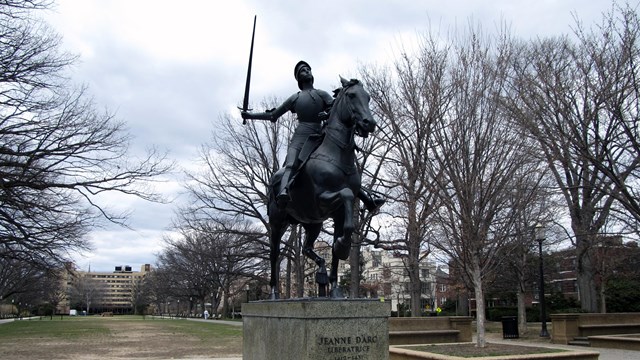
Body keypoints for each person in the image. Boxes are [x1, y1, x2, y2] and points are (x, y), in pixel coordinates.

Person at [241, 61, 383, 212]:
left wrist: (327, 114)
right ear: (298, 78)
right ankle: (283, 193)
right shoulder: (295, 98)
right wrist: (250, 115)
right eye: (303, 70)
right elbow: (273, 115)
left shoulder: (321, 94)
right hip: (301, 137)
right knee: (292, 163)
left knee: (340, 164)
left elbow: (334, 108)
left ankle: (367, 200)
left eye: (308, 69)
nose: (307, 71)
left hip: (319, 134)